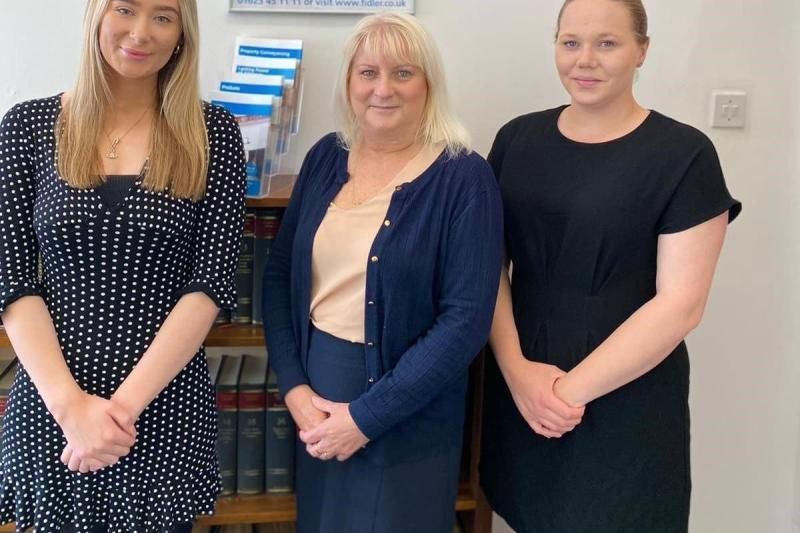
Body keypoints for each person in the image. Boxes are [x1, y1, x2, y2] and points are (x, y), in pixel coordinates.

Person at [479, 0, 741, 531]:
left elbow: (681, 306)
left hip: (626, 391)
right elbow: (486, 269)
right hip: (523, 374)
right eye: (570, 42)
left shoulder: (685, 154)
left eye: (607, 43)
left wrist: (566, 395)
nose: (585, 60)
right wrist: (518, 373)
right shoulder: (516, 140)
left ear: (641, 50)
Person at [0, 0, 245, 531]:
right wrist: (73, 411)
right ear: (96, 17)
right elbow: (13, 281)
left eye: (163, 16)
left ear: (183, 33)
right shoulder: (28, 125)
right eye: (125, 9)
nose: (141, 32)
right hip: (52, 410)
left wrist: (118, 415)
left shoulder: (214, 134)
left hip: (162, 408)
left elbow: (208, 286)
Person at [262, 12, 502, 533]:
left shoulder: (464, 177)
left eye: (403, 73)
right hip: (318, 411)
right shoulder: (327, 157)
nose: (382, 89)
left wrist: (364, 420)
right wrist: (295, 388)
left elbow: (465, 322)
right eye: (367, 73)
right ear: (349, 83)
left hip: (409, 419)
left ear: (429, 84)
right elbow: (281, 277)